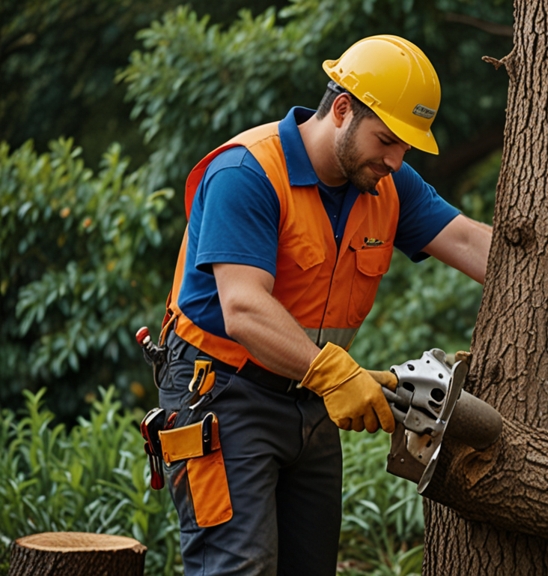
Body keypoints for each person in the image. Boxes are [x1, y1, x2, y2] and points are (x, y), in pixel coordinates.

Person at [155, 35, 491, 575]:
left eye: (406, 146)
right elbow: (241, 307)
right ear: (341, 110)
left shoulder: (386, 183)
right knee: (238, 568)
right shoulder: (247, 174)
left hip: (308, 401)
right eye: (387, 140)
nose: (395, 159)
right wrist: (336, 374)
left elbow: (474, 246)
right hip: (222, 394)